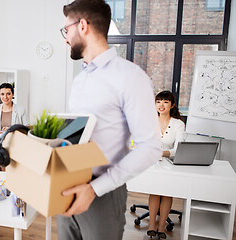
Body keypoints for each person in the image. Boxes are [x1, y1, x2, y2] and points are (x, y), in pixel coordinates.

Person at [58, 1, 162, 239]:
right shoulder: (79, 80)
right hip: (69, 186)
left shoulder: (130, 77)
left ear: (82, 25)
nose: (65, 38)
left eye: (67, 30)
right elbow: (82, 135)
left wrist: (94, 188)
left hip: (104, 193)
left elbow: (151, 147)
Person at [147, 90, 185, 239]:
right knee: (155, 189)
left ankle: (162, 226)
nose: (161, 105)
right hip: (152, 161)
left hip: (169, 161)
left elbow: (178, 149)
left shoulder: (178, 124)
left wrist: (162, 153)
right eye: (158, 101)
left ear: (172, 105)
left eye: (165, 102)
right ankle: (151, 225)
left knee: (166, 190)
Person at [0, 82, 28, 170]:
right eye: (2, 94)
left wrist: (11, 129)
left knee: (6, 172)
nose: (5, 97)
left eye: (8, 94)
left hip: (12, 145)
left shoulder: (20, 110)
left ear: (13, 94)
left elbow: (27, 129)